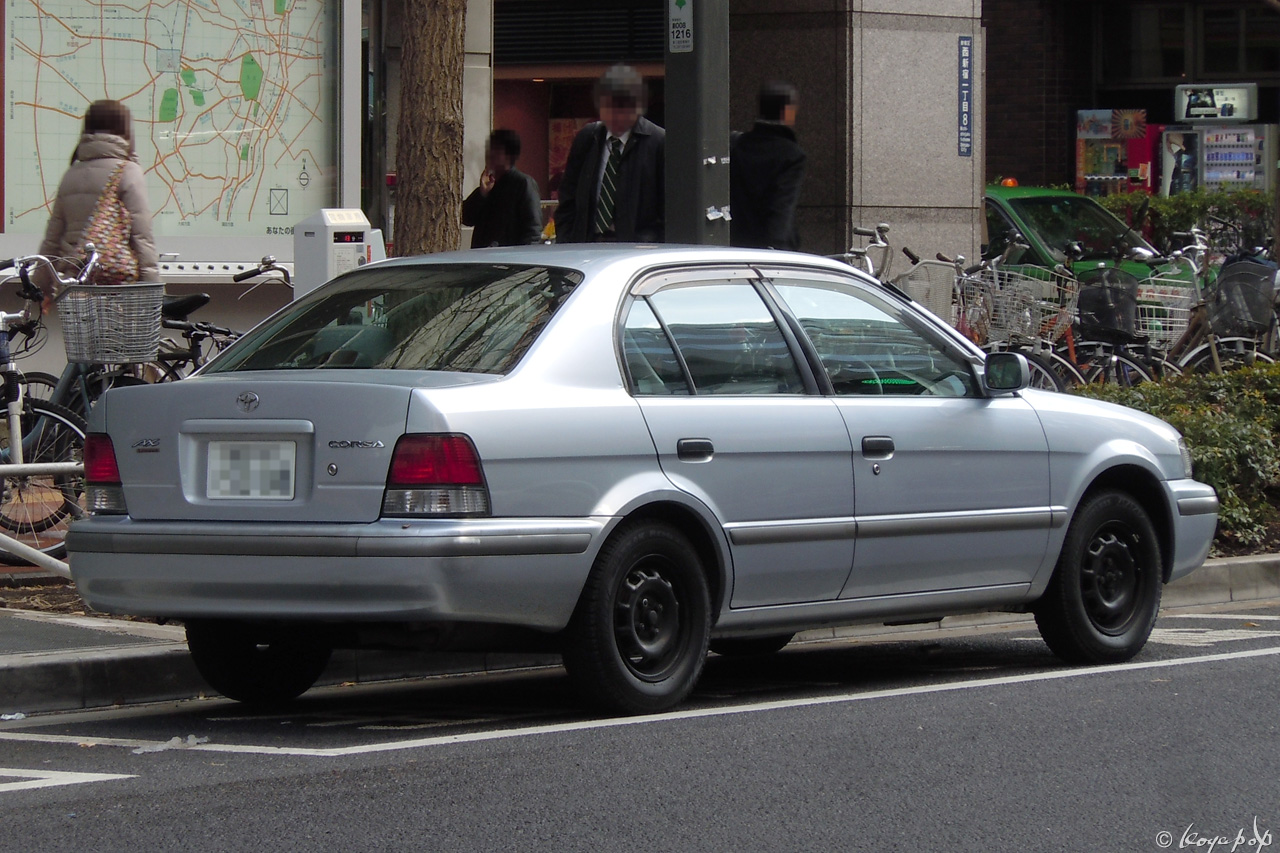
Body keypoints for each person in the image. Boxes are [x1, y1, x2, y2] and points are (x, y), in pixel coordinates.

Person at [38, 99, 159, 296]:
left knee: (81, 328)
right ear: (124, 130)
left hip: (76, 286)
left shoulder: (71, 174)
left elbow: (52, 238)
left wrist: (41, 287)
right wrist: (152, 287)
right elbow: (141, 237)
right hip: (118, 287)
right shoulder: (128, 172)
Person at [554, 64, 665, 243]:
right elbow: (568, 196)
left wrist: (652, 243)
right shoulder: (588, 138)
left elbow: (667, 207)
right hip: (587, 244)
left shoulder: (658, 142)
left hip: (637, 248)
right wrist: (567, 238)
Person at [730, 81, 807, 251]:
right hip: (770, 249)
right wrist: (776, 248)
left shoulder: (737, 145)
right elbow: (781, 207)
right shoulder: (791, 154)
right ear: (786, 112)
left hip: (734, 243)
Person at [461, 129, 543, 248]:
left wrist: (521, 259)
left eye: (496, 150)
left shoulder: (523, 183)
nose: (490, 154)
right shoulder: (489, 185)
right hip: (481, 257)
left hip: (508, 260)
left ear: (509, 155)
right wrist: (482, 194)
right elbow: (466, 218)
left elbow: (533, 230)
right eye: (489, 149)